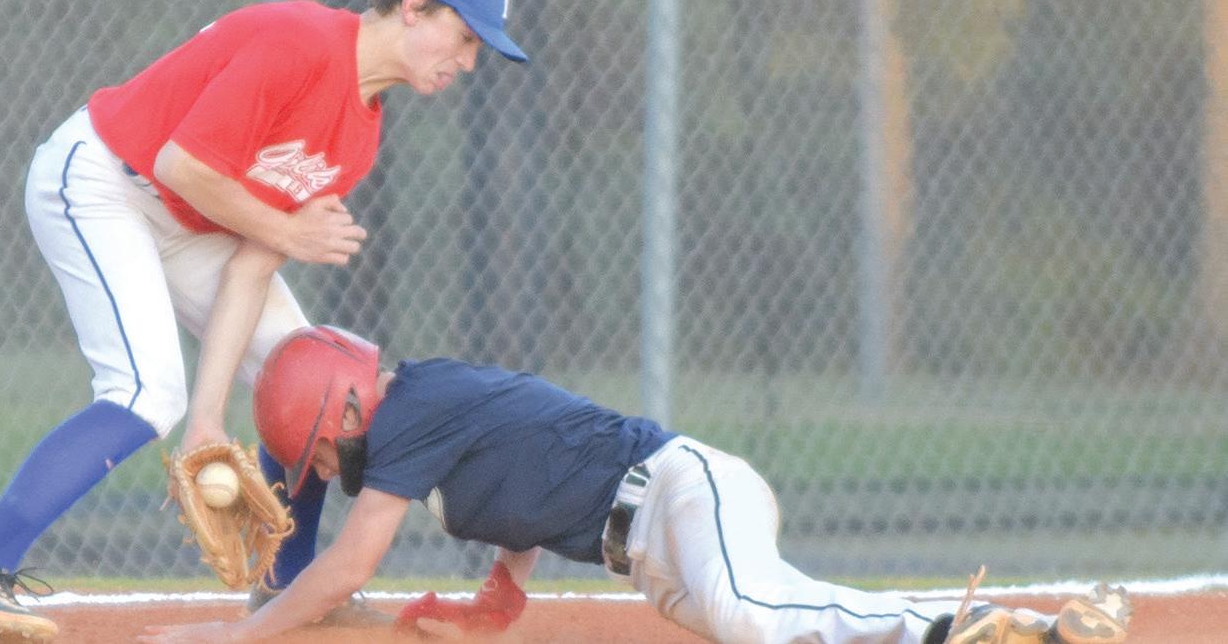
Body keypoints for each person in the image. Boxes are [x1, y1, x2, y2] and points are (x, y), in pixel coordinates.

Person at [0, 0, 528, 644]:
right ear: (414, 6)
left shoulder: (358, 136)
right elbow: (180, 165)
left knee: (312, 370)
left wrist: (207, 419)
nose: (469, 60)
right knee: (145, 392)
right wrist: (291, 232)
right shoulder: (299, 43)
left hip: (193, 221)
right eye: (466, 35)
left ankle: (288, 586)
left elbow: (249, 269)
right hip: (106, 180)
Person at [137, 324, 1133, 644]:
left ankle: (995, 625)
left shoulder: (407, 412)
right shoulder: (424, 418)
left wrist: (235, 635)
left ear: (349, 407)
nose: (318, 471)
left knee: (753, 614)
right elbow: (522, 471)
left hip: (680, 489)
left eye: (315, 450)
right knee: (793, 623)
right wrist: (502, 591)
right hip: (650, 549)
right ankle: (1014, 628)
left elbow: (352, 564)